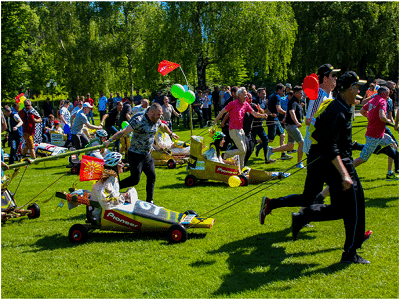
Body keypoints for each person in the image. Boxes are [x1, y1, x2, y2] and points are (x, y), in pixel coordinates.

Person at [260, 71, 370, 264]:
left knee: (343, 205)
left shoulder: (340, 106)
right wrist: (344, 173)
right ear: (350, 89)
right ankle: (349, 252)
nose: (359, 90)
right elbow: (329, 144)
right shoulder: (337, 109)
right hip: (338, 164)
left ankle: (304, 217)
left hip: (328, 160)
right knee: (351, 206)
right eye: (357, 87)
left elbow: (323, 135)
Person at [103, 103, 178, 204]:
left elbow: (163, 126)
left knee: (152, 176)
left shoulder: (157, 120)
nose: (160, 117)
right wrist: (109, 140)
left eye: (160, 115)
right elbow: (124, 131)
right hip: (135, 154)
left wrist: (171, 133)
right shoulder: (139, 120)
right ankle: (113, 188)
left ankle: (149, 201)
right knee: (135, 180)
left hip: (147, 154)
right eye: (158, 115)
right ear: (151, 112)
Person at [213, 87, 270, 169]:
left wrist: (262, 115)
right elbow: (222, 112)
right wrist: (215, 121)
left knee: (244, 151)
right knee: (242, 150)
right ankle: (225, 155)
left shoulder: (246, 104)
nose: (246, 95)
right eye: (244, 93)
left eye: (246, 93)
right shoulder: (233, 103)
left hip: (241, 130)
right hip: (233, 130)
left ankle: (241, 169)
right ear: (239, 95)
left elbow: (254, 114)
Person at [353, 86, 397, 178]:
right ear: (382, 94)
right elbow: (382, 116)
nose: (389, 94)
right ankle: (344, 171)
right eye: (388, 93)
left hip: (379, 134)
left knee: (394, 145)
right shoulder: (382, 101)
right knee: (363, 158)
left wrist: (370, 118)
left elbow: (362, 111)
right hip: (374, 135)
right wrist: (390, 123)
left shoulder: (373, 100)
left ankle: (390, 173)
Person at [303, 64, 340, 155]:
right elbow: (308, 120)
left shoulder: (330, 94)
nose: (336, 78)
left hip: (324, 140)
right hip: (315, 143)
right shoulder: (319, 95)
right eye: (333, 75)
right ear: (325, 79)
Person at [266, 86, 305, 168]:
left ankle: (271, 150)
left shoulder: (296, 101)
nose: (302, 95)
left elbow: (288, 112)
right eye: (301, 93)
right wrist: (297, 122)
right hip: (292, 126)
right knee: (302, 143)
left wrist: (285, 118)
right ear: (296, 93)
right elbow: (291, 112)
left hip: (289, 125)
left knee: (290, 146)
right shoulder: (293, 101)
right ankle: (299, 163)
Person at [266, 83, 292, 160]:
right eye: (283, 91)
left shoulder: (271, 95)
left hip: (275, 119)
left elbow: (267, 107)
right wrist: (287, 113)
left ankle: (283, 154)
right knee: (270, 139)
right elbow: (278, 109)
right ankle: (256, 142)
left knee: (282, 134)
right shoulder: (277, 97)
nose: (284, 93)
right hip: (272, 120)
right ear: (279, 90)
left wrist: (270, 113)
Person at [254, 87, 276, 164]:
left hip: (260, 124)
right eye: (262, 93)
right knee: (250, 142)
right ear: (258, 93)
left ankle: (266, 160)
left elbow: (265, 110)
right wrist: (263, 113)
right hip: (253, 125)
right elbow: (257, 111)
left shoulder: (264, 100)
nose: (264, 94)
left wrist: (269, 114)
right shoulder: (254, 100)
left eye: (265, 93)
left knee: (266, 140)